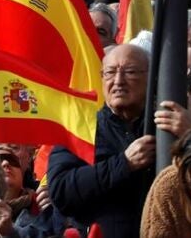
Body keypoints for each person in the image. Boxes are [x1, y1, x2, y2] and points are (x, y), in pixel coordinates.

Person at [48, 44, 155, 238]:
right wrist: (124, 164)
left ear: (151, 77)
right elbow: (60, 191)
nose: (118, 81)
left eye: (130, 72)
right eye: (110, 73)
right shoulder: (80, 129)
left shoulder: (165, 125)